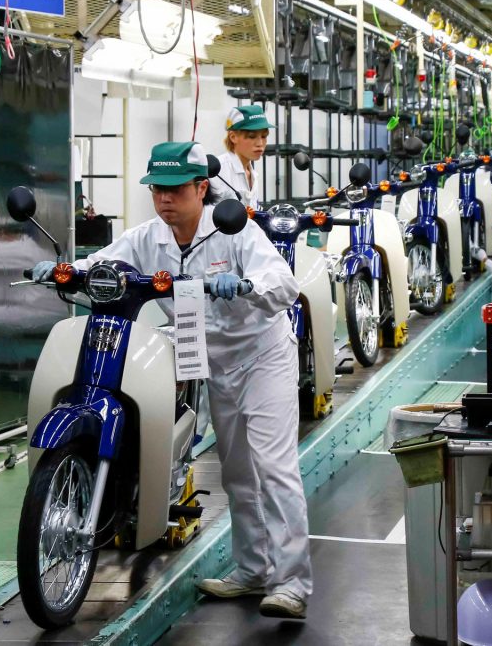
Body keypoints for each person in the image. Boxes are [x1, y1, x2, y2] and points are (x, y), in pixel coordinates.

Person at [31, 141, 312, 619]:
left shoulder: (236, 232)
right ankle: (252, 571)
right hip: (214, 363)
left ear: (202, 188)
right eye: (157, 190)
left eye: (175, 190)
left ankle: (292, 583)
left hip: (262, 356)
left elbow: (284, 284)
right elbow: (104, 262)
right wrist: (62, 271)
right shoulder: (148, 238)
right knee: (238, 471)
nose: (164, 200)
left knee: (273, 466)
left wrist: (245, 287)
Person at [209, 105, 273, 210]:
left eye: (264, 136)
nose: (260, 143)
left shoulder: (253, 175)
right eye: (252, 136)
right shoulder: (218, 172)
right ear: (233, 137)